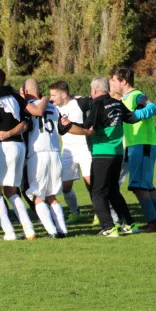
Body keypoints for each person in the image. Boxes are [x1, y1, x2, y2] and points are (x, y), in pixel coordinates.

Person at [63, 76, 147, 237]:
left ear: (94, 90)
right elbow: (132, 118)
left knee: (97, 191)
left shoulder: (98, 104)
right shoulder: (117, 103)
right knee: (113, 190)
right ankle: (129, 224)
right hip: (117, 153)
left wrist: (69, 124)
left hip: (102, 152)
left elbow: (88, 127)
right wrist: (146, 108)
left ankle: (108, 227)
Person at [0, 68, 47, 240]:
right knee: (12, 191)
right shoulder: (16, 97)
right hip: (19, 146)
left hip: (2, 147)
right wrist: (45, 98)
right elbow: (34, 114)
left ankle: (9, 232)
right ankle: (29, 230)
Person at [110, 67, 156, 232]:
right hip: (138, 144)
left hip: (142, 144)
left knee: (138, 186)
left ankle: (154, 221)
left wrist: (136, 116)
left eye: (114, 80)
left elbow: (152, 107)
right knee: (146, 185)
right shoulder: (125, 98)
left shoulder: (136, 95)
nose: (112, 84)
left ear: (123, 81)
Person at [22, 78, 70, 238]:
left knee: (37, 195)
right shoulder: (53, 107)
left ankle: (52, 231)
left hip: (38, 153)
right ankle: (63, 229)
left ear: (26, 91)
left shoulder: (28, 107)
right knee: (51, 196)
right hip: (55, 152)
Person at [48, 81, 93, 223]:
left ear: (63, 94)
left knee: (91, 183)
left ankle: (99, 213)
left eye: (53, 95)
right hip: (67, 151)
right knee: (65, 187)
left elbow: (99, 102)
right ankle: (75, 212)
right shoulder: (53, 108)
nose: (51, 98)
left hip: (85, 149)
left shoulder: (81, 102)